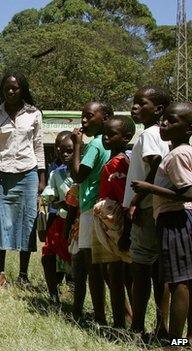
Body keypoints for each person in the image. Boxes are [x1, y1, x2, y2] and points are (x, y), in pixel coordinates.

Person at [0, 72, 46, 289]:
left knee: (27, 222)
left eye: (15, 88)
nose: (11, 91)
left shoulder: (34, 114)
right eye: (7, 88)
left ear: (22, 89)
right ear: (2, 89)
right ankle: (0, 275)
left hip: (28, 173)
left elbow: (39, 146)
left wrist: (42, 178)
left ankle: (23, 275)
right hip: (1, 174)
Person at [131, 102, 192, 341]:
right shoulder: (180, 151)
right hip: (177, 219)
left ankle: (175, 342)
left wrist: (149, 188)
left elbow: (188, 192)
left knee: (178, 283)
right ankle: (186, 340)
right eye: (164, 118)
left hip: (176, 219)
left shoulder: (178, 154)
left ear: (188, 129)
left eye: (173, 120)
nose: (164, 123)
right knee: (186, 281)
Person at [122, 86, 171, 336]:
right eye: (134, 102)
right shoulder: (157, 134)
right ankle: (161, 328)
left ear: (159, 110)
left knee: (141, 268)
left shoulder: (151, 134)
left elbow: (155, 166)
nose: (135, 107)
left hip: (145, 207)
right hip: (154, 206)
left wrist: (136, 200)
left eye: (142, 104)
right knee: (156, 270)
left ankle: (138, 327)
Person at [69, 101, 112, 323]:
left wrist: (77, 145)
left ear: (104, 118)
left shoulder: (95, 145)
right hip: (102, 207)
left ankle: (99, 316)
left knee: (91, 265)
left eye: (89, 116)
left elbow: (78, 175)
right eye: (82, 116)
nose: (84, 120)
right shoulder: (107, 143)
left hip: (90, 210)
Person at [94, 115, 135, 328]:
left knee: (122, 275)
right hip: (110, 225)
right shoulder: (109, 163)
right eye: (104, 134)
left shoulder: (124, 163)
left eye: (111, 134)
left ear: (126, 137)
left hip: (124, 225)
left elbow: (127, 199)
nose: (106, 138)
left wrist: (126, 231)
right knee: (110, 274)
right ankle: (122, 319)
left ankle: (129, 322)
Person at [41, 133, 74, 303]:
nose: (66, 155)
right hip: (61, 221)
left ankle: (76, 293)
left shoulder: (84, 173)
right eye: (62, 152)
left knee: (76, 260)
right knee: (48, 255)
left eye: (70, 151)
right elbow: (49, 192)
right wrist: (54, 199)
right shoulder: (56, 173)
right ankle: (53, 293)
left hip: (78, 223)